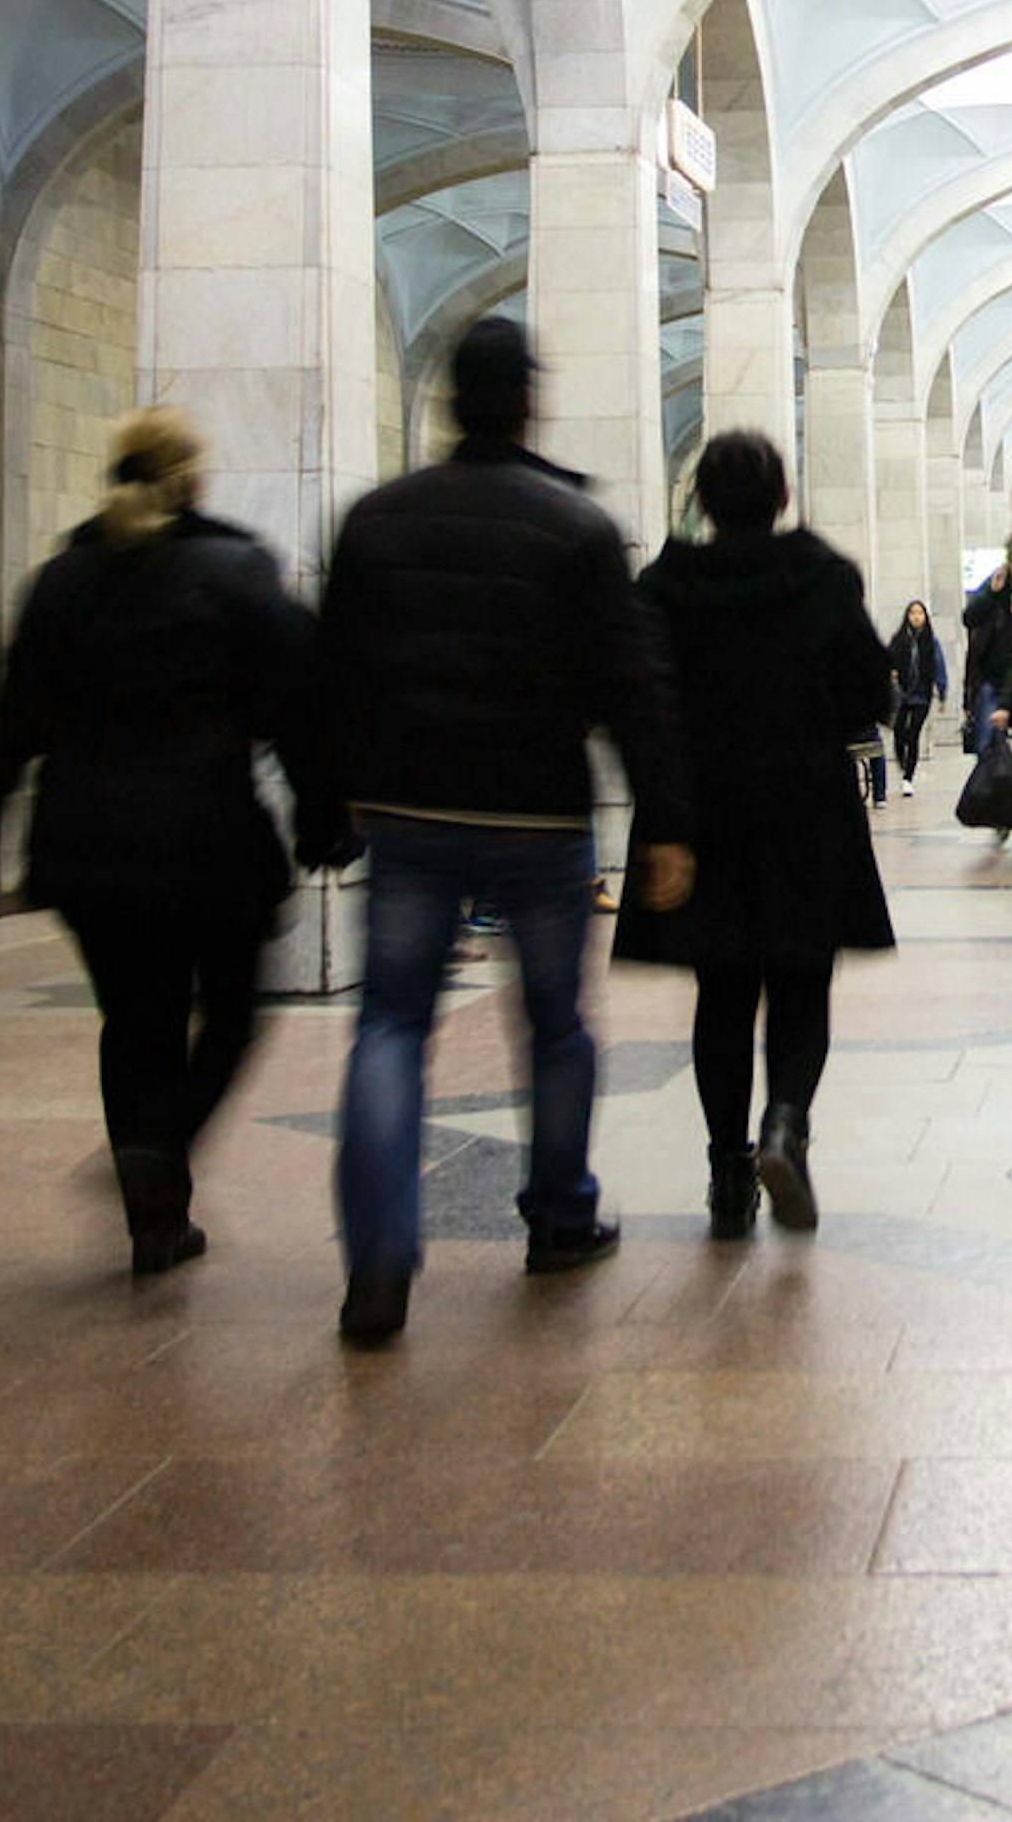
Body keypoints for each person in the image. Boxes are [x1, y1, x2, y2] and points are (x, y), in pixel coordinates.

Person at [316, 318, 696, 1344]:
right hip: (535, 815)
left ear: (447, 401)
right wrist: (663, 820)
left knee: (391, 1025)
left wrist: (325, 802)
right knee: (556, 1024)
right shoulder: (571, 527)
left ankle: (382, 1252)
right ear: (526, 401)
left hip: (406, 811)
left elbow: (332, 675)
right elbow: (632, 683)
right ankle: (560, 1214)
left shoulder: (378, 519)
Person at [0, 407, 324, 1277]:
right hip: (206, 844)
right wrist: (325, 811)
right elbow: (298, 705)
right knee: (233, 1011)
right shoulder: (235, 571)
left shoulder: (59, 580)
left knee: (135, 1023)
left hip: (85, 847)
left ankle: (154, 1222)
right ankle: (164, 1149)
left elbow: (14, 714)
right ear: (194, 481)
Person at [617, 433, 897, 1237]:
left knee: (723, 993)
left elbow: (645, 700)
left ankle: (726, 1175)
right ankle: (786, 1126)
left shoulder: (665, 587)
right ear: (782, 497)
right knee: (802, 983)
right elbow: (869, 693)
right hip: (806, 809)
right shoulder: (820, 576)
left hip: (704, 815)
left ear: (700, 500)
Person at [962, 536, 1012, 755]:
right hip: (993, 674)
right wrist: (991, 593)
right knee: (986, 744)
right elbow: (969, 618)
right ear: (1008, 561)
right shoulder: (995, 584)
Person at [883, 599, 948, 800]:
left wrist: (942, 691)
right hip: (902, 694)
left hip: (922, 694)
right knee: (899, 733)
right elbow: (888, 662)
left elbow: (939, 665)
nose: (916, 617)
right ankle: (902, 763)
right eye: (912, 613)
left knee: (913, 734)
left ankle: (908, 777)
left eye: (920, 613)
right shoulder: (898, 639)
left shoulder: (931, 640)